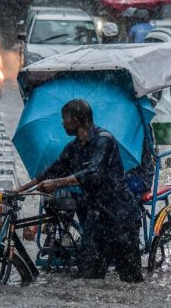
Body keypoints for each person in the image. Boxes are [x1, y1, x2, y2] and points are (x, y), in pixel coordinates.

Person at [16, 99, 144, 283]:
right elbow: (50, 171)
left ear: (75, 120)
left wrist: (57, 183)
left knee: (131, 283)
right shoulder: (73, 147)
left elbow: (93, 173)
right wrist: (19, 191)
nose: (62, 123)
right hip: (96, 222)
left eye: (64, 118)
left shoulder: (103, 141)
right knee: (89, 281)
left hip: (120, 220)